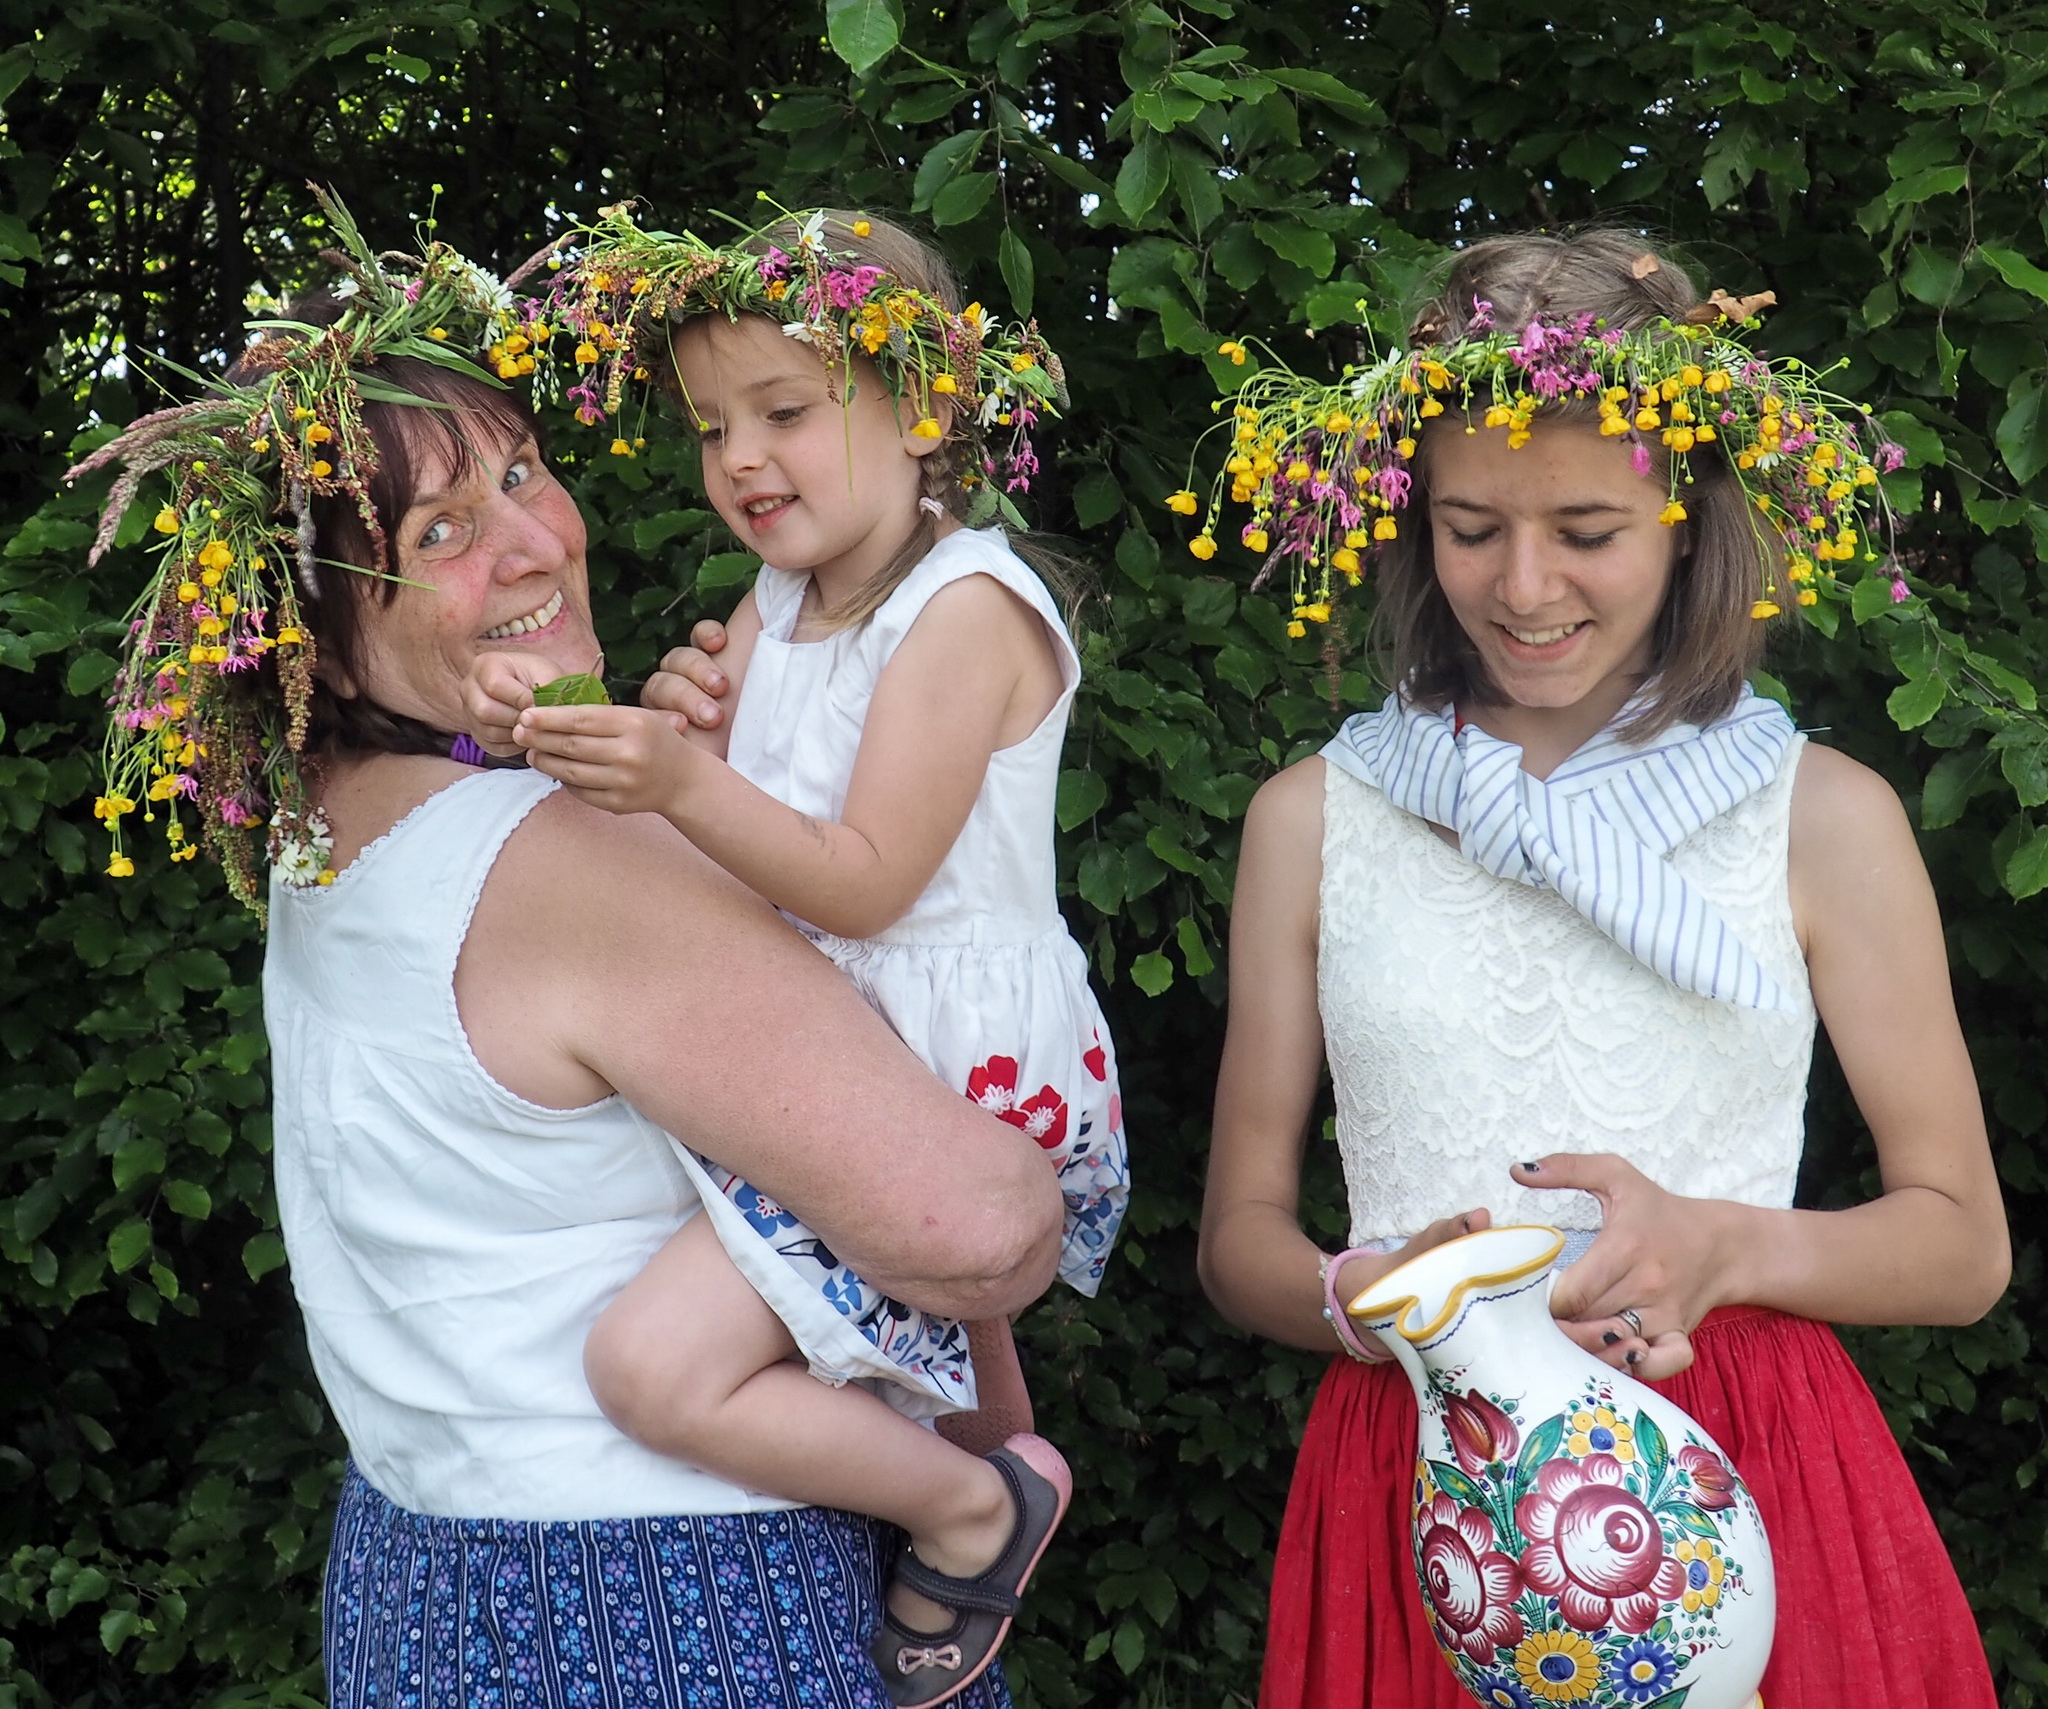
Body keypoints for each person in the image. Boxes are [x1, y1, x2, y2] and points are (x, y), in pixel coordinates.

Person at [76, 201, 1062, 1709]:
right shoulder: (561, 860)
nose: (536, 542)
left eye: (523, 472)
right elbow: (976, 1228)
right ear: (318, 633)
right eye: (438, 535)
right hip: (676, 1612)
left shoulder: (331, 844)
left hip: (419, 1591)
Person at [1193, 231, 2009, 1708]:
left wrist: (1726, 1248)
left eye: (1586, 529)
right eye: (1469, 528)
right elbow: (1238, 1236)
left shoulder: (1820, 816)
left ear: (1689, 522)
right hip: (1435, 1485)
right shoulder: (1314, 820)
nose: (1524, 585)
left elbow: (1963, 1249)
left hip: (1743, 1466)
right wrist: (1361, 1295)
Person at [462, 207, 1127, 1706]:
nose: (740, 460)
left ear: (926, 406)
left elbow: (870, 881)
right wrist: (673, 742)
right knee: (927, 1353)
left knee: (652, 1367)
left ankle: (972, 1509)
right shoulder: (780, 602)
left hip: (948, 1057)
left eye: (782, 411)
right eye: (712, 427)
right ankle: (985, 1465)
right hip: (833, 1027)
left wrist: (679, 784)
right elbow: (735, 838)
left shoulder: (968, 611)